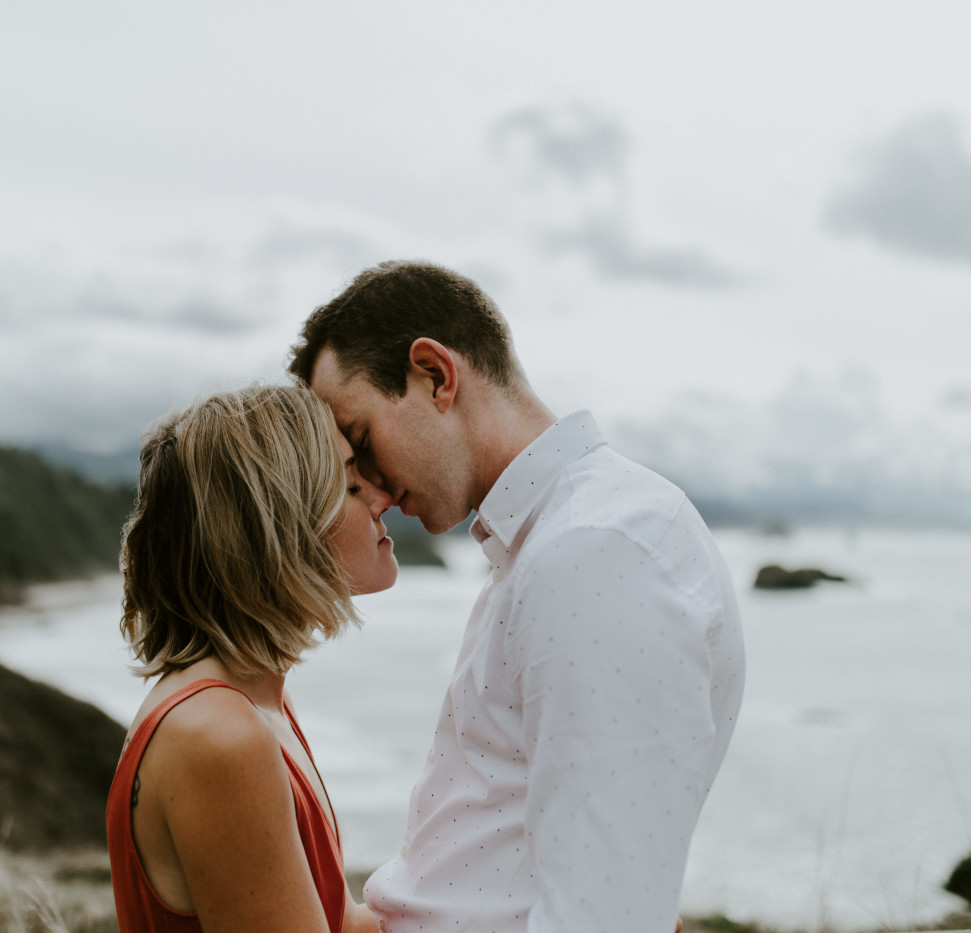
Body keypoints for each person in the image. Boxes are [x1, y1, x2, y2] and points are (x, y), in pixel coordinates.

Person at [289, 261, 746, 933]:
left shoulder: (597, 550)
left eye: (361, 442)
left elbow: (603, 917)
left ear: (435, 376)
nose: (374, 492)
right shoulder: (556, 546)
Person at [106, 384, 393, 933]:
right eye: (352, 484)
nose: (382, 499)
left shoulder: (257, 704)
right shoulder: (220, 734)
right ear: (283, 528)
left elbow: (337, 920)